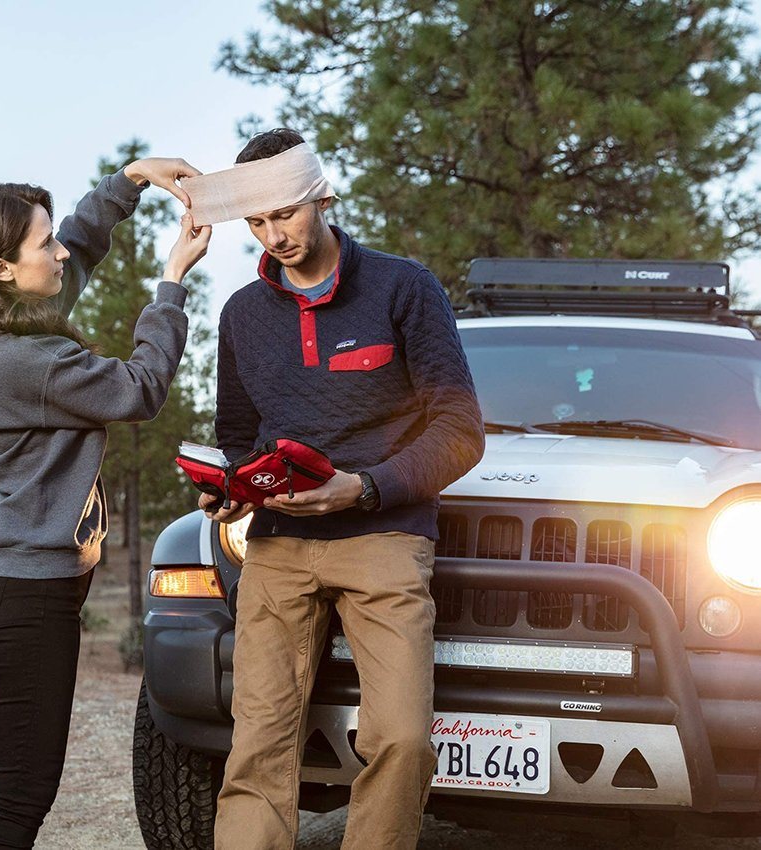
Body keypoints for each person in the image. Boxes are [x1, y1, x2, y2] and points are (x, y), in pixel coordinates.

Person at [200, 128, 484, 850]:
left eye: (286, 214)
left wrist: (364, 488)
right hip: (279, 547)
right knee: (257, 745)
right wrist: (235, 485)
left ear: (323, 195)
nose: (275, 236)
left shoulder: (405, 287)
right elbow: (238, 430)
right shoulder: (240, 314)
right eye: (258, 223)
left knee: (402, 741)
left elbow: (459, 430)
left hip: (384, 540)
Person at [0, 156, 211, 849]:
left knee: (22, 784)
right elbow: (140, 387)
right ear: (2, 270)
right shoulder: (22, 359)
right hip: (27, 594)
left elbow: (77, 246)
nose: (58, 251)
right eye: (40, 243)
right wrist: (171, 283)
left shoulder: (18, 322)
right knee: (20, 791)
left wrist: (130, 181)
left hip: (31, 584)